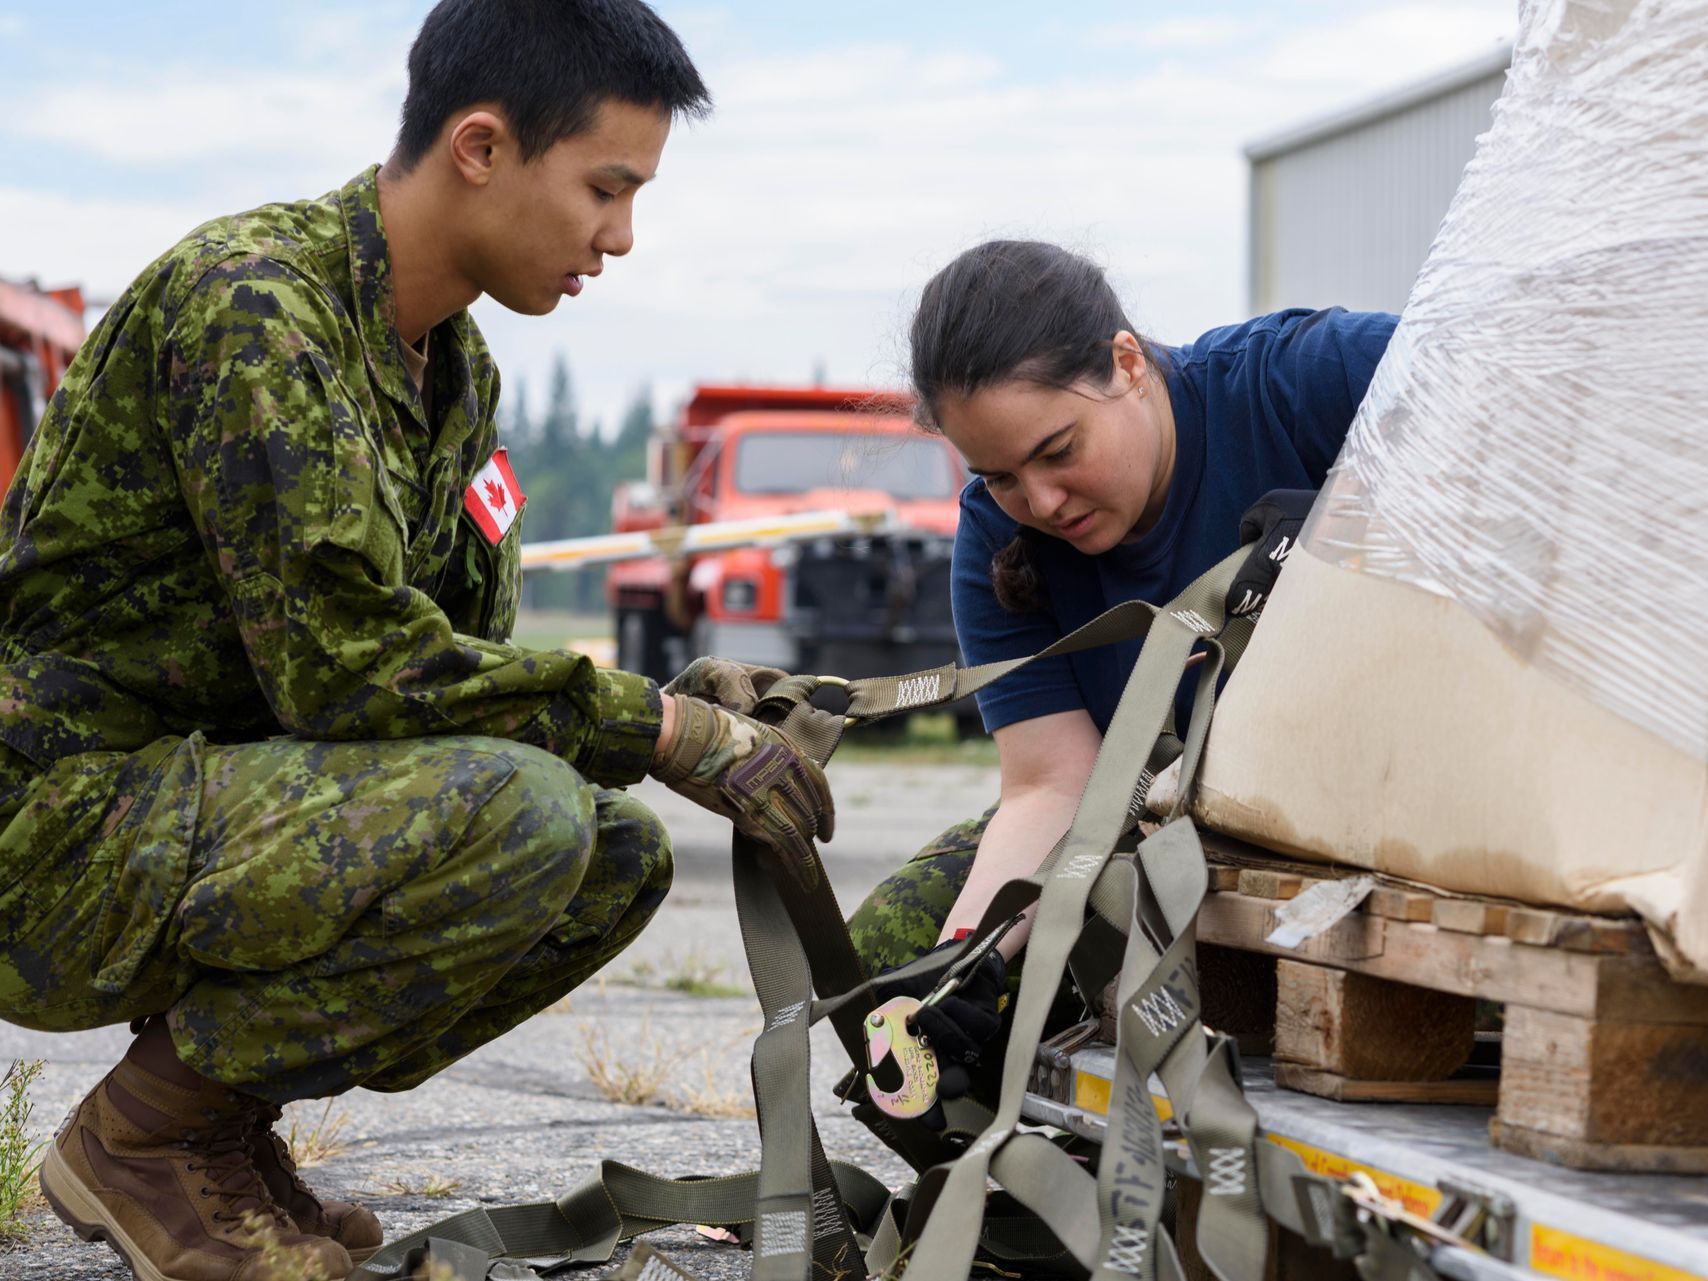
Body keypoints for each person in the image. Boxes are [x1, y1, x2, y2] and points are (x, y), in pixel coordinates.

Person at [0, 4, 833, 1279]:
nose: (620, 237)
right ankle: (142, 1141)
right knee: (531, 815)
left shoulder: (456, 373)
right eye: (606, 189)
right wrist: (659, 729)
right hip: (52, 832)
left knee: (609, 854)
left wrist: (670, 702)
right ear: (483, 146)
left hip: (197, 811)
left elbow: (455, 674)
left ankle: (209, 1124)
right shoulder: (254, 308)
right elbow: (351, 671)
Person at [851, 239, 1396, 1106]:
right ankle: (1038, 1212)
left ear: (1127, 363)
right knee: (891, 976)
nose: (1043, 502)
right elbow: (1052, 787)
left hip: (1394, 807)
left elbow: (1526, 394)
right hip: (1171, 831)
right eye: (1000, 476)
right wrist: (968, 959)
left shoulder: (1301, 381)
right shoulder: (999, 537)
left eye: (1059, 450)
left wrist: (1371, 522)